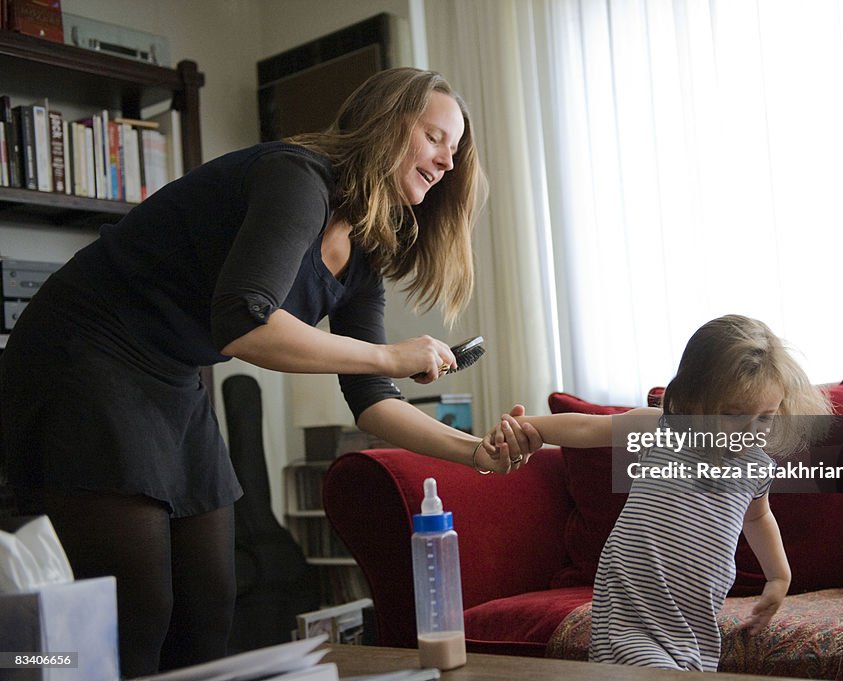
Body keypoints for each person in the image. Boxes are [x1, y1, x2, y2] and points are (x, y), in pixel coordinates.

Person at [0, 67, 539, 676]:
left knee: (209, 602)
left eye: (455, 148)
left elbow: (370, 398)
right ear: (385, 123)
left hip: (174, 374)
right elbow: (245, 322)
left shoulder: (364, 249)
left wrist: (475, 454)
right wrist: (391, 353)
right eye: (436, 137)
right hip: (86, 350)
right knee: (138, 608)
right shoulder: (297, 177)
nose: (447, 161)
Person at [490, 314, 833, 671]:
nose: (749, 430)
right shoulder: (662, 429)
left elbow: (759, 517)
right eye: (733, 414)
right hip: (631, 608)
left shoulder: (757, 466)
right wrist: (525, 429)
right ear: (692, 399)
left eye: (765, 417)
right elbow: (587, 427)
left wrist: (779, 576)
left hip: (693, 622)